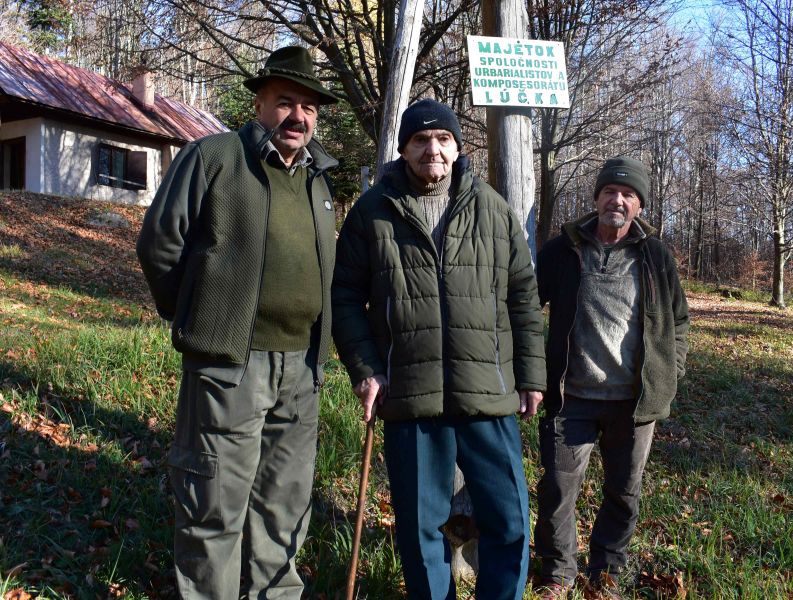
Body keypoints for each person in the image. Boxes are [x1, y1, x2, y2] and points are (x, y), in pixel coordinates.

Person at [136, 46, 338, 599]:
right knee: (214, 507)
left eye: (310, 108)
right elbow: (159, 245)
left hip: (301, 372)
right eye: (285, 102)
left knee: (284, 507)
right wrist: (201, 316)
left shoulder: (321, 181)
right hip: (230, 368)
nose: (299, 117)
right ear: (260, 103)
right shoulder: (214, 157)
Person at [332, 99, 547, 600]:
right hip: (410, 395)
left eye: (443, 139)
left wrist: (531, 375)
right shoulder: (372, 212)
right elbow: (343, 298)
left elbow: (523, 296)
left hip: (488, 393)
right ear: (404, 148)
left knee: (508, 521)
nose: (433, 149)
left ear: (457, 146)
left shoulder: (492, 208)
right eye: (421, 140)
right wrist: (365, 368)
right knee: (420, 528)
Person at [532, 157, 689, 599]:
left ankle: (604, 573)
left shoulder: (656, 256)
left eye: (627, 195)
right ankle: (558, 574)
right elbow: (525, 306)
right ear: (596, 197)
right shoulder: (563, 250)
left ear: (638, 206)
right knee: (559, 489)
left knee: (624, 492)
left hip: (634, 402)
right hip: (571, 396)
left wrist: (669, 372)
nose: (616, 200)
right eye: (609, 192)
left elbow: (679, 322)